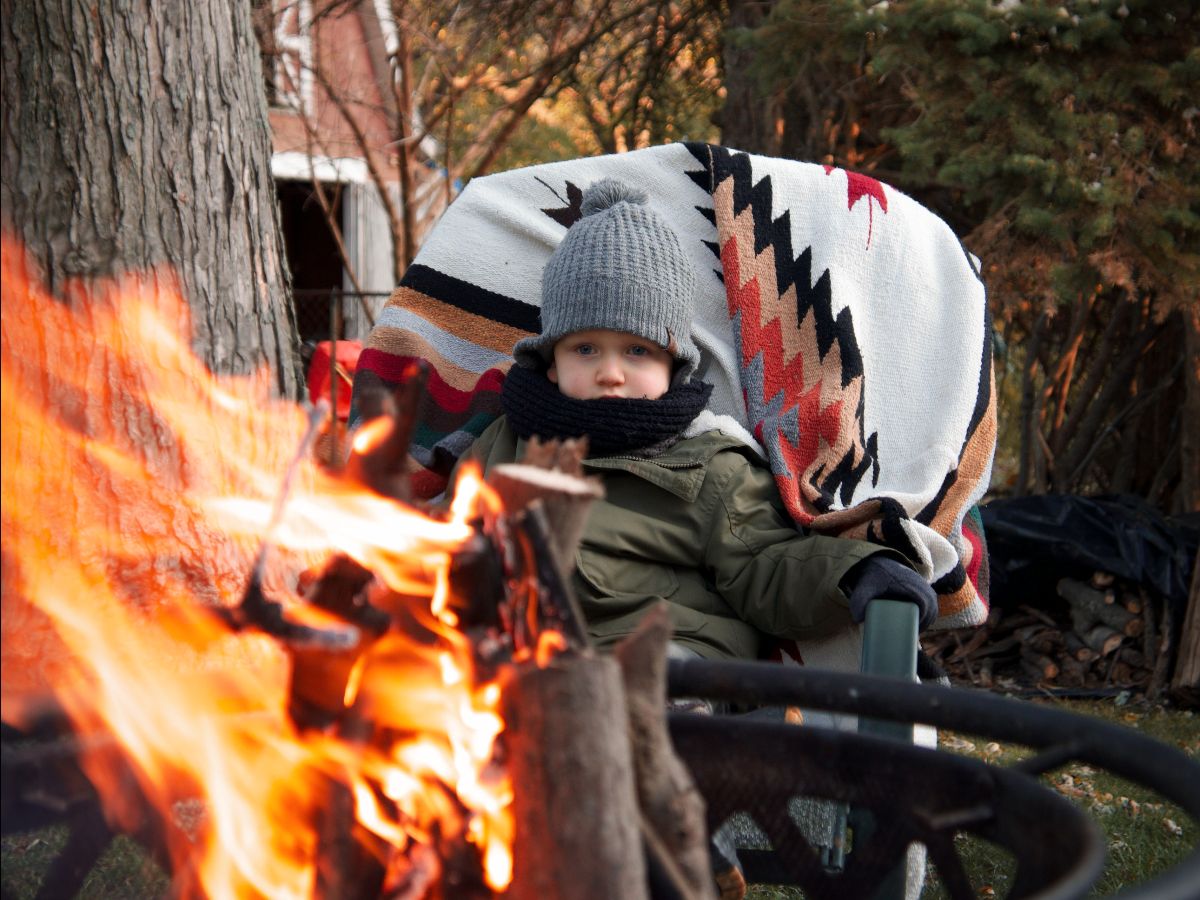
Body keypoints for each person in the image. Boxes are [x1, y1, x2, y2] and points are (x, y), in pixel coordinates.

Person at [452, 177, 936, 663]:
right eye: (585, 349)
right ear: (551, 361)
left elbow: (763, 564)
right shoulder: (505, 441)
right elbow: (451, 537)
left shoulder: (709, 464)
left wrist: (854, 572)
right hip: (517, 659)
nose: (611, 373)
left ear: (674, 367)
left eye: (637, 351)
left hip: (664, 652)